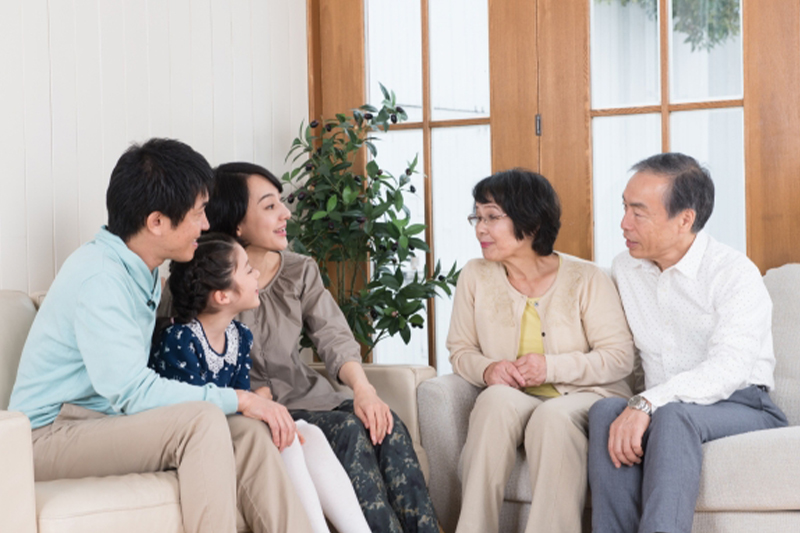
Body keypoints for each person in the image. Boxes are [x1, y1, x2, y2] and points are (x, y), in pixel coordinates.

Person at [8, 139, 312, 533]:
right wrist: (238, 397)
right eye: (198, 213)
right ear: (156, 222)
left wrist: (243, 407)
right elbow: (130, 391)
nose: (205, 225)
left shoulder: (142, 268)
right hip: (47, 435)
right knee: (204, 420)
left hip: (99, 421)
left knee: (249, 432)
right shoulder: (101, 277)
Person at [203, 161, 439, 533]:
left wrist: (364, 391)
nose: (286, 213)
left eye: (281, 202)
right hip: (261, 411)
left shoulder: (300, 270)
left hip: (311, 397)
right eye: (269, 206)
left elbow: (333, 337)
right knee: (346, 430)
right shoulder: (204, 281)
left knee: (387, 425)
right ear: (236, 223)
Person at [587, 152, 788, 533]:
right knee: (604, 412)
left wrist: (649, 401)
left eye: (639, 213)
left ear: (684, 219)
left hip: (743, 404)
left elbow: (729, 368)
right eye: (624, 208)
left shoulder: (732, 273)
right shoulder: (626, 268)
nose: (624, 223)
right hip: (663, 409)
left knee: (674, 417)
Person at [447, 169, 635, 533]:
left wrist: (550, 368)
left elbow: (619, 357)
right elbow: (460, 349)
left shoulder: (587, 278)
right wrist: (487, 371)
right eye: (477, 217)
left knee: (553, 419)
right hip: (519, 397)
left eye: (491, 217)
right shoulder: (475, 275)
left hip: (585, 396)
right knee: (494, 401)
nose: (480, 229)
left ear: (529, 222)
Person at [150, 232, 371, 533]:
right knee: (288, 440)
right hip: (195, 438)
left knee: (309, 432)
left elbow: (241, 393)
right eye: (247, 270)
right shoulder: (180, 340)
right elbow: (192, 408)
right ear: (222, 296)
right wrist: (254, 401)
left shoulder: (239, 337)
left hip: (232, 426)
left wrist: (257, 399)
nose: (257, 275)